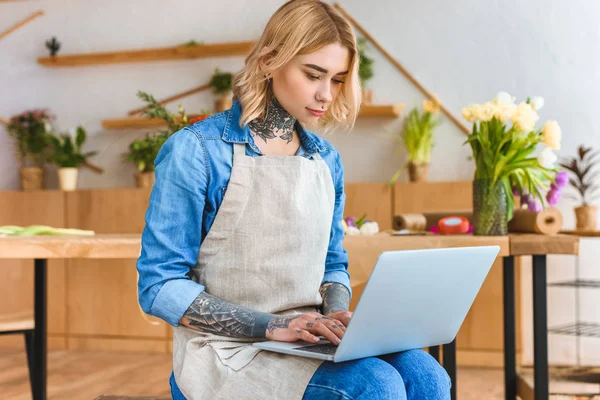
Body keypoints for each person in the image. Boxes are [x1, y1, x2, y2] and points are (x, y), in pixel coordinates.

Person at [136, 0, 451, 398]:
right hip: (225, 354)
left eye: (337, 80)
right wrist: (273, 326)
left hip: (307, 338)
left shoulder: (325, 160)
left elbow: (333, 264)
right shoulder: (196, 151)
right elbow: (159, 286)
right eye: (313, 74)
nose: (325, 94)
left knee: (427, 375)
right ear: (269, 61)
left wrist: (336, 313)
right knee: (376, 384)